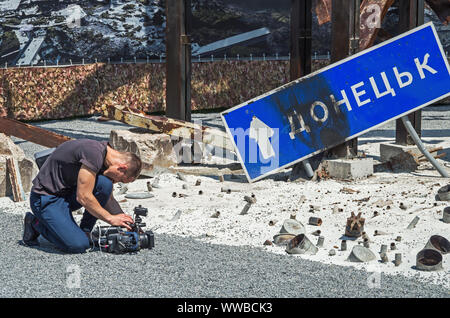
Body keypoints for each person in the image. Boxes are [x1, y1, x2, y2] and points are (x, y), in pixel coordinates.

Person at [22, 139, 143, 253]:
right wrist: (110, 218)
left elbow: (108, 198)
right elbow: (83, 197)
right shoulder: (93, 154)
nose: (116, 182)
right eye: (120, 179)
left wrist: (126, 223)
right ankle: (35, 223)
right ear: (121, 168)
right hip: (46, 198)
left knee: (105, 184)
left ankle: (85, 230)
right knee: (77, 245)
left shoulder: (107, 157)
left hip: (67, 194)